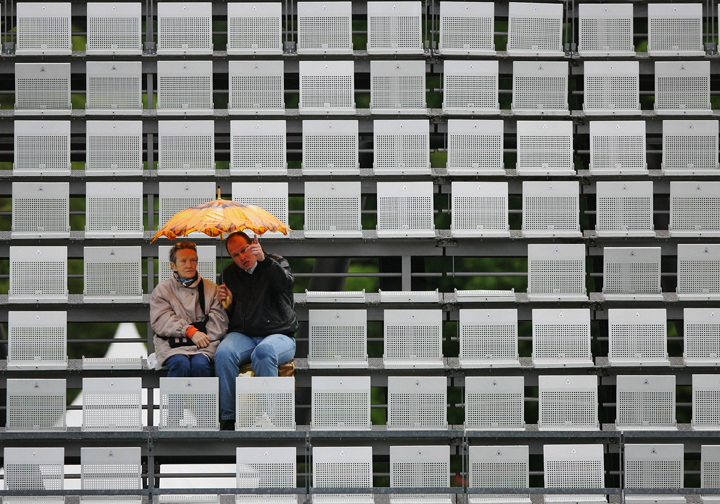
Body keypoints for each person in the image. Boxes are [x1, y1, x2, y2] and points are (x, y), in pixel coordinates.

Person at [215, 231, 297, 428]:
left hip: (279, 334)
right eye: (235, 254)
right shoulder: (228, 273)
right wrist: (225, 302)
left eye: (244, 250)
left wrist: (264, 261)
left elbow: (286, 285)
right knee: (224, 353)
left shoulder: (276, 261)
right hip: (244, 335)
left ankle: (267, 416)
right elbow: (229, 314)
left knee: (264, 352)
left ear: (254, 245)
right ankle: (230, 417)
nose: (242, 257)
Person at [150, 242, 228, 377]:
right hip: (171, 345)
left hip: (205, 345)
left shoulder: (211, 288)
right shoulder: (162, 290)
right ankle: (176, 399)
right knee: (180, 363)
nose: (189, 265)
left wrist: (203, 338)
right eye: (184, 261)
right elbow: (161, 319)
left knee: (201, 365)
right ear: (173, 265)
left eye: (193, 260)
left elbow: (219, 320)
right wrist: (188, 331)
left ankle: (204, 399)